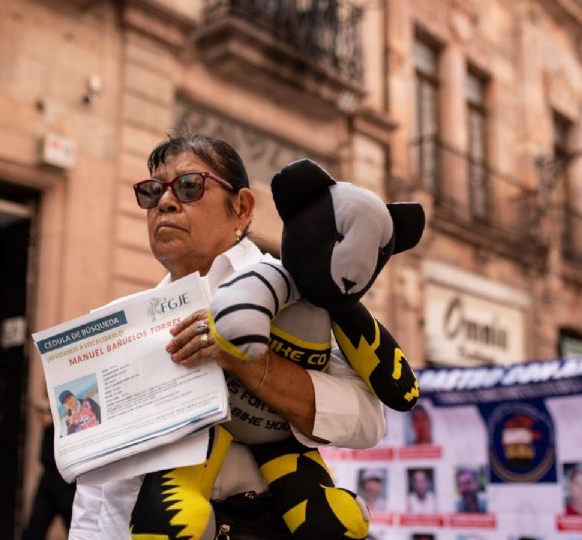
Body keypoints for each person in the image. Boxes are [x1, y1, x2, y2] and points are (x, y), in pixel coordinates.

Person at [69, 134, 386, 538]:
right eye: (152, 192)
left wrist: (246, 362)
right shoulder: (131, 322)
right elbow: (104, 490)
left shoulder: (294, 294)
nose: (165, 203)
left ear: (241, 208)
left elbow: (368, 420)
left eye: (188, 186)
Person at [23, 401, 77, 539]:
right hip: (49, 478)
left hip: (68, 480)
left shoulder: (73, 414)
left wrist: (56, 420)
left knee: (76, 532)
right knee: (34, 530)